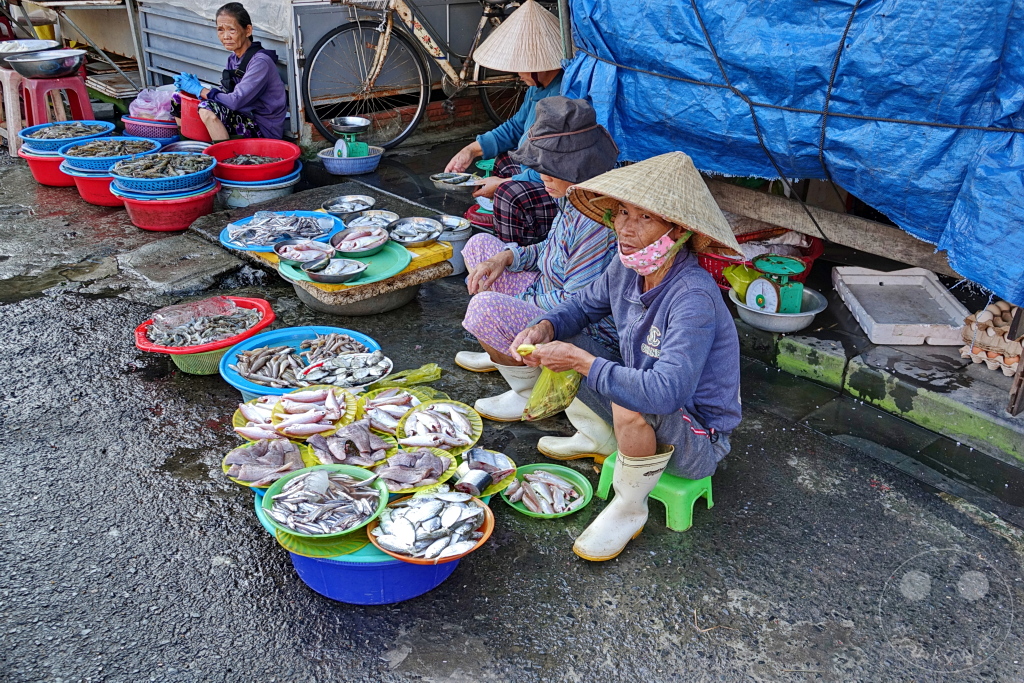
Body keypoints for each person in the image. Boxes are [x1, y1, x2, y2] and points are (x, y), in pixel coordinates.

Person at [509, 152, 744, 561]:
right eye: (621, 213)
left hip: (700, 439)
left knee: (623, 390)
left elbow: (666, 392)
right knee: (576, 340)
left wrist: (581, 363)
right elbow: (581, 308)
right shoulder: (626, 268)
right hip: (649, 409)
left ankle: (629, 508)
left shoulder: (693, 297)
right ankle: (600, 437)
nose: (625, 228)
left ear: (679, 230)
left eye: (644, 218)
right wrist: (545, 327)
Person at [454, 96, 620, 421]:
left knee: (484, 308)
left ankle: (525, 390)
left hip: (583, 325)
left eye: (551, 170)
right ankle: (504, 352)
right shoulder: (574, 195)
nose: (542, 176)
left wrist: (513, 300)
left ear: (578, 167)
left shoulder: (596, 219)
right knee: (481, 249)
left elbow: (576, 304)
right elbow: (550, 249)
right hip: (549, 289)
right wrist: (506, 257)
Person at [444, 0, 565, 245]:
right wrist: (470, 150)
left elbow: (551, 166)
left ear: (537, 64)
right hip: (534, 169)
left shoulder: (564, 97)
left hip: (556, 182)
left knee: (508, 194)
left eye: (521, 67)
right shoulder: (536, 87)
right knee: (503, 159)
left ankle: (520, 252)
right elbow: (515, 127)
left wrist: (501, 184)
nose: (517, 73)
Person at [172, 3, 287, 141]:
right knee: (178, 98)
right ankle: (187, 145)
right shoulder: (233, 59)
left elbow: (234, 101)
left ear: (248, 30)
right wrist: (194, 90)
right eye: (220, 30)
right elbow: (227, 93)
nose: (225, 36)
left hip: (263, 129)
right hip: (242, 115)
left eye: (231, 30)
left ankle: (225, 157)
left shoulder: (260, 63)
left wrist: (200, 90)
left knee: (207, 108)